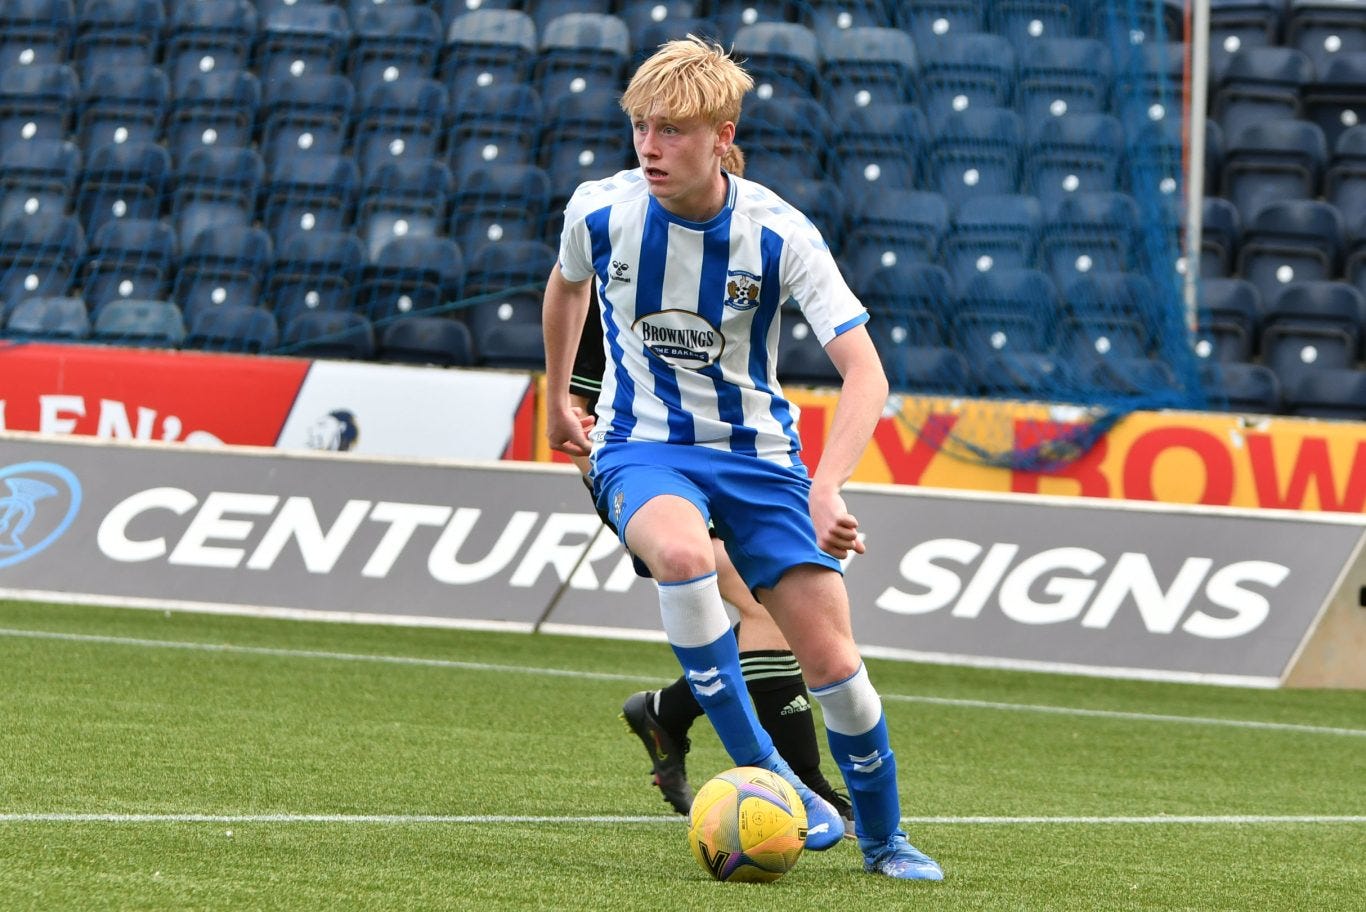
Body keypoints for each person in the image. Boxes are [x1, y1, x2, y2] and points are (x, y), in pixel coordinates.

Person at [542, 36, 943, 879]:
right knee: (685, 553)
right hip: (640, 445)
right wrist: (556, 391)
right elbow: (565, 284)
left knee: (835, 666)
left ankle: (885, 840)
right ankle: (773, 776)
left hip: (760, 458)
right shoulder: (600, 209)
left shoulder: (778, 231)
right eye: (642, 128)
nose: (651, 147)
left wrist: (827, 486)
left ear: (722, 135)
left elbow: (865, 372)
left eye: (674, 132)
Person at [563, 170, 854, 827]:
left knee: (768, 611)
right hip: (647, 471)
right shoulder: (624, 262)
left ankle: (672, 714)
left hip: (728, 463)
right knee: (758, 605)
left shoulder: (738, 263)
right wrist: (605, 480)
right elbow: (574, 409)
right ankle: (801, 783)